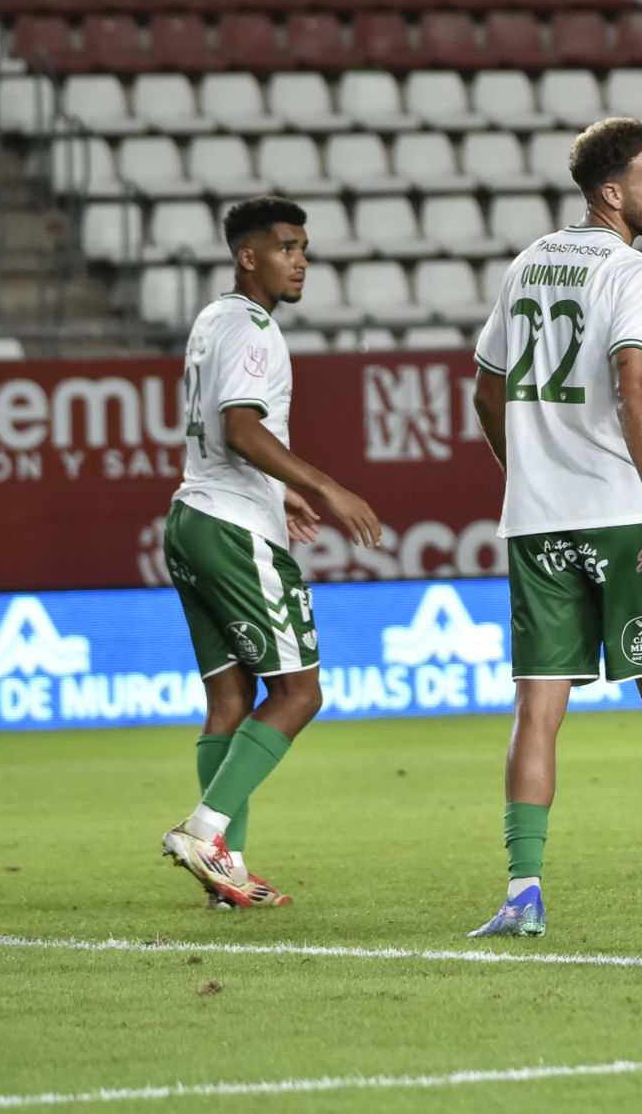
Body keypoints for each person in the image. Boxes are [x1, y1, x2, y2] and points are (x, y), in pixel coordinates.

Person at [466, 117, 642, 938]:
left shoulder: (527, 264)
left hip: (536, 520)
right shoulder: (636, 273)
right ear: (611, 193)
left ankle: (523, 893)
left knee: (537, 704)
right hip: (621, 517)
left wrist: (525, 473)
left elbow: (486, 391)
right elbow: (635, 382)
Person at [160, 195, 383, 908]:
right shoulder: (255, 328)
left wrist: (275, 493)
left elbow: (219, 438)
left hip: (192, 516)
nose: (301, 261)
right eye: (286, 247)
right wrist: (327, 486)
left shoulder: (213, 318)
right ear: (247, 256)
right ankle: (205, 831)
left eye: (303, 248)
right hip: (229, 529)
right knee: (299, 691)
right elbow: (241, 429)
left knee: (229, 700)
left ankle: (223, 868)